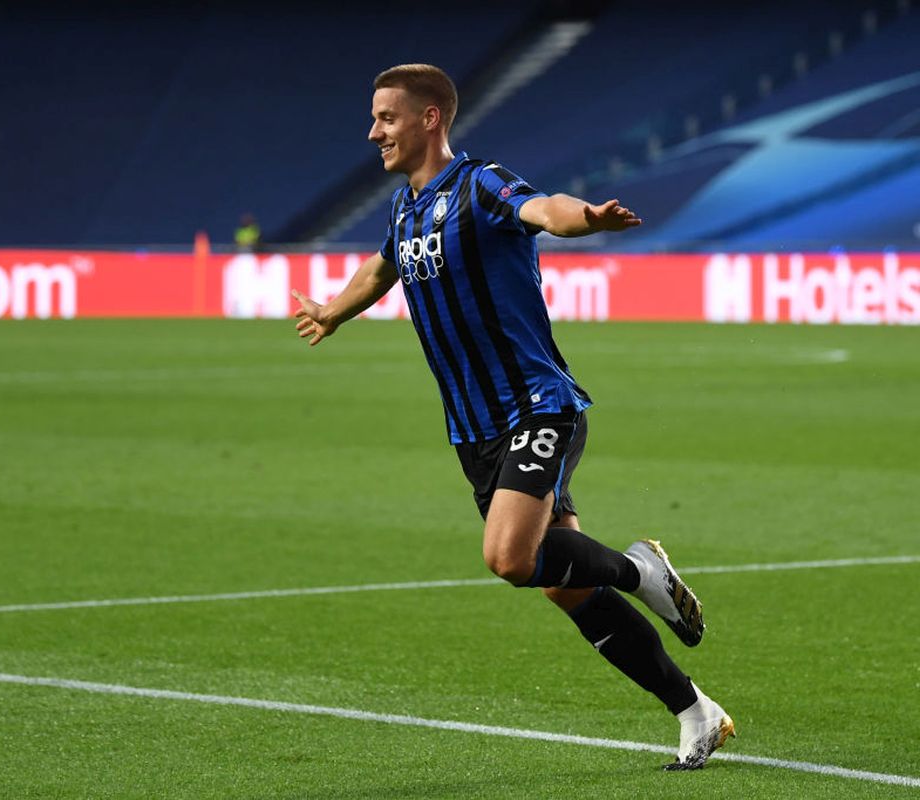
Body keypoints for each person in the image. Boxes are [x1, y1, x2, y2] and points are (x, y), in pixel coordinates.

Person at [291, 64, 733, 771]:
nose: (373, 131)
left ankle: (641, 571)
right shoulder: (405, 210)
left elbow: (544, 208)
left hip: (537, 404)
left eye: (387, 117)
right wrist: (334, 314)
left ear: (430, 118)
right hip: (473, 431)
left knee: (508, 558)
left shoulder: (479, 184)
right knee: (564, 586)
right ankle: (694, 711)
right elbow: (382, 270)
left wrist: (586, 220)